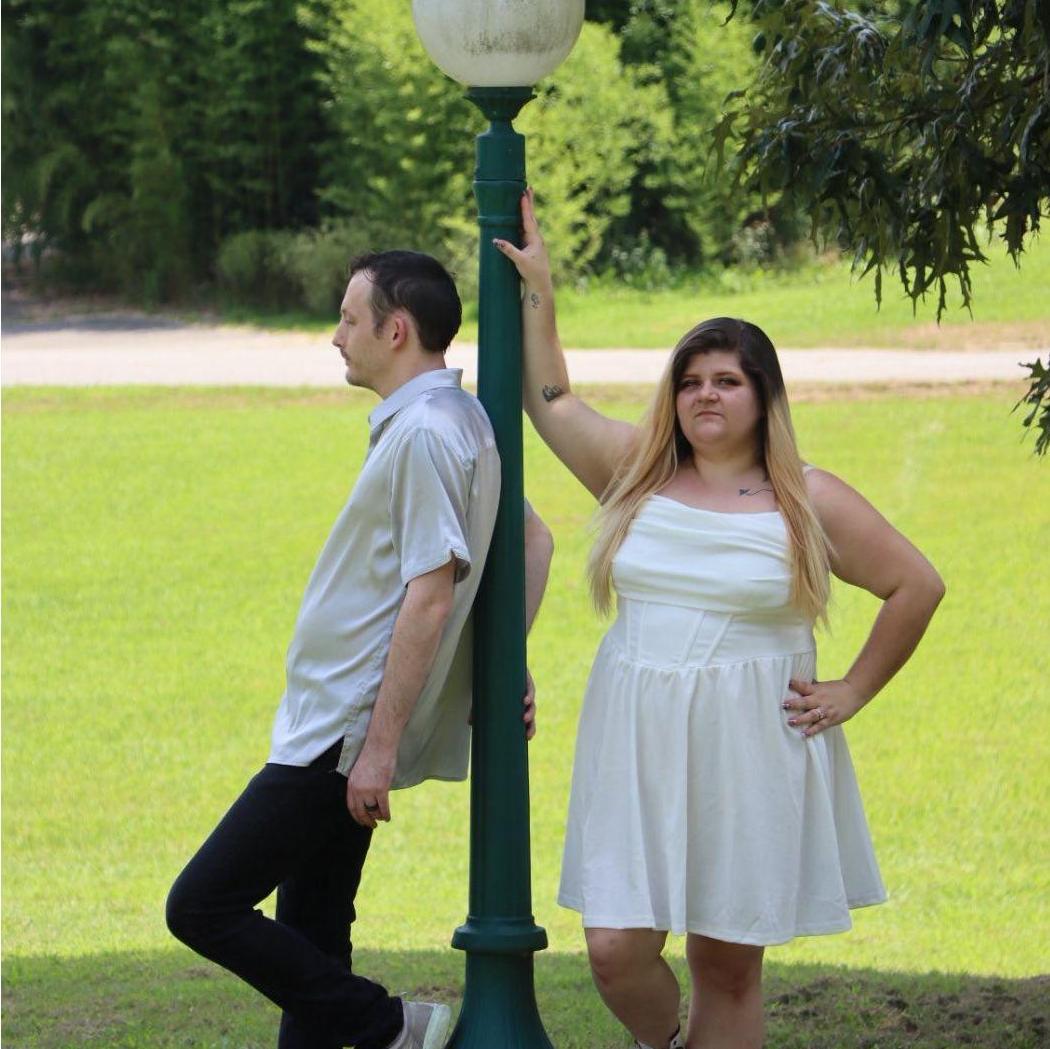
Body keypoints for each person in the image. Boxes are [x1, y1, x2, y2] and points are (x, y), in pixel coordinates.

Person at [494, 192, 945, 1049]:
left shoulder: (806, 497)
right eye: (691, 380)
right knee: (614, 949)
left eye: (727, 381)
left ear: (763, 396)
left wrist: (852, 689)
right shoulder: (634, 472)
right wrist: (539, 286)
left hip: (750, 740)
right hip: (635, 733)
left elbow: (915, 584)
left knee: (728, 965)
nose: (706, 394)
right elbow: (550, 398)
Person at [166, 250, 554, 1049]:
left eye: (349, 319)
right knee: (312, 929)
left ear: (396, 329)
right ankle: (382, 1027)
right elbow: (532, 539)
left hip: (342, 729)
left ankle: (394, 1027)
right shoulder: (458, 420)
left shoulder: (426, 434)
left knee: (201, 903)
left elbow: (432, 592)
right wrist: (501, 661)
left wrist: (376, 749)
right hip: (339, 720)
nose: (336, 336)